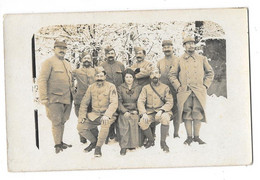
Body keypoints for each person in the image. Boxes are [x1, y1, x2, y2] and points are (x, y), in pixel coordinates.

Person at [168, 36, 214, 145]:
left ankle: (197, 137)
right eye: (188, 44)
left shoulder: (202, 59)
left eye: (192, 43)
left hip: (199, 91)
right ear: (184, 46)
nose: (191, 46)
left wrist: (205, 85)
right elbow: (172, 74)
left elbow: (210, 73)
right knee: (187, 113)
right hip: (185, 91)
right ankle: (189, 137)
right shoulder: (179, 60)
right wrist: (178, 87)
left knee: (197, 113)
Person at [38, 39, 73, 153]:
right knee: (56, 121)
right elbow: (42, 80)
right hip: (54, 98)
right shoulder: (48, 62)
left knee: (63, 120)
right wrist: (43, 98)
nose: (62, 50)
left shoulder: (67, 63)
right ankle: (57, 144)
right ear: (54, 49)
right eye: (59, 48)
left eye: (64, 48)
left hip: (67, 98)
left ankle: (60, 141)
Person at [77, 66, 118, 157]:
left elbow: (114, 103)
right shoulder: (91, 87)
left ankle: (98, 147)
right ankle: (94, 142)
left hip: (108, 115)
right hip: (95, 114)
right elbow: (84, 103)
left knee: (105, 123)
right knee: (80, 127)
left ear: (105, 76)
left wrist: (107, 115)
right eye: (97, 76)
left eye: (101, 76)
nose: (99, 78)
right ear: (95, 77)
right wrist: (82, 116)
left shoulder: (111, 86)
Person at [137, 68, 173, 152]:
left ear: (159, 75)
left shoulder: (165, 87)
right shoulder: (145, 88)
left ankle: (163, 142)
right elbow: (140, 101)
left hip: (162, 111)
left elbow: (170, 102)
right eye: (152, 73)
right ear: (150, 76)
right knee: (142, 122)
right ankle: (151, 140)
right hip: (150, 112)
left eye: (156, 73)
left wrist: (161, 110)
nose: (154, 75)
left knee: (165, 118)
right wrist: (143, 113)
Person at [101, 46, 125, 143]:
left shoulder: (120, 65)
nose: (110, 55)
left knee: (119, 113)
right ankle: (108, 134)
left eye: (112, 53)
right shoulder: (102, 65)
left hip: (119, 92)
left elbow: (124, 78)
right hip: (107, 93)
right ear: (106, 55)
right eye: (108, 54)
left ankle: (118, 134)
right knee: (109, 112)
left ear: (115, 54)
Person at [157, 40, 180, 138]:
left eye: (168, 47)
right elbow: (157, 75)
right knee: (166, 111)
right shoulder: (160, 62)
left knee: (177, 111)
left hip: (176, 90)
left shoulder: (178, 60)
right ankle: (166, 132)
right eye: (164, 47)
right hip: (164, 92)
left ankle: (176, 133)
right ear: (162, 49)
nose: (167, 49)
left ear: (172, 47)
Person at [117, 68, 142, 155]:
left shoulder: (138, 87)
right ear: (124, 78)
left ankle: (133, 144)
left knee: (134, 119)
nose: (128, 79)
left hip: (135, 109)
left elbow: (141, 100)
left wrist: (137, 110)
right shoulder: (120, 88)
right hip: (124, 109)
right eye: (126, 77)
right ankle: (124, 146)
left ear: (133, 78)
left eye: (130, 77)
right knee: (124, 121)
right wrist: (124, 111)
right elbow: (118, 101)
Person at [72, 52, 95, 143]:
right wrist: (73, 92)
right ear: (81, 60)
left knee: (92, 118)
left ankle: (94, 137)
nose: (86, 60)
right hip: (79, 99)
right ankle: (82, 137)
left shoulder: (95, 71)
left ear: (91, 60)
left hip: (92, 99)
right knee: (81, 118)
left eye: (88, 58)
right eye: (84, 58)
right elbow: (68, 79)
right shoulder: (76, 71)